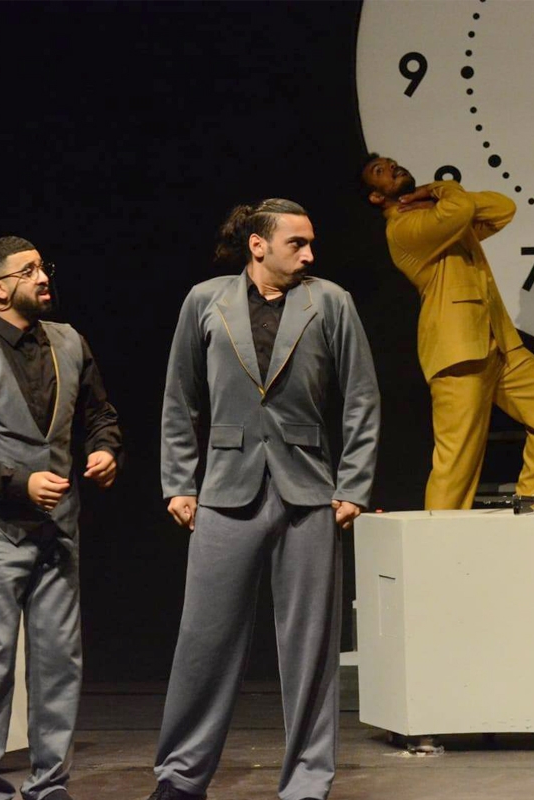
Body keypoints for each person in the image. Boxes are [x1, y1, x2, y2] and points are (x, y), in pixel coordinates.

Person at [145, 199, 380, 800]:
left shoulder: (330, 302)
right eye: (297, 243)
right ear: (258, 245)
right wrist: (179, 480)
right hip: (226, 487)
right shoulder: (206, 300)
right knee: (203, 639)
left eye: (310, 242)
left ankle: (306, 784)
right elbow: (180, 397)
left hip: (308, 489)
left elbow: (361, 397)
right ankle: (180, 777)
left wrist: (353, 484)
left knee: (310, 648)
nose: (309, 254)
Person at [0, 236, 122, 800]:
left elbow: (100, 413)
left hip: (58, 528)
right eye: (29, 270)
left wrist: (104, 449)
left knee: (59, 661)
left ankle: (49, 783)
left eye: (43, 267)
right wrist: (19, 483)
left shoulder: (70, 342)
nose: (43, 277)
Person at [360, 154, 534, 508]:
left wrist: (435, 196)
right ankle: (438, 539)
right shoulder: (403, 228)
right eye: (381, 171)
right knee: (457, 460)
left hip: (499, 342)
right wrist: (440, 188)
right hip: (456, 348)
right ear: (376, 197)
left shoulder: (440, 217)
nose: (393, 168)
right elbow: (459, 211)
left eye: (392, 163)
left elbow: (503, 209)